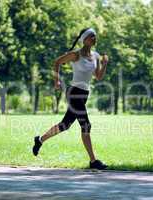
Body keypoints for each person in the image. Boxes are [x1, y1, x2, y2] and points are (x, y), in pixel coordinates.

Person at [32, 27, 109, 170]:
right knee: (86, 125)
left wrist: (104, 64)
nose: (94, 38)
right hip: (74, 92)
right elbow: (57, 62)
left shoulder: (96, 56)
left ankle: (40, 140)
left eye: (95, 36)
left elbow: (98, 77)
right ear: (84, 39)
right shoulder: (75, 55)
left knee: (65, 125)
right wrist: (56, 81)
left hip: (84, 93)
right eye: (91, 36)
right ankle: (93, 161)